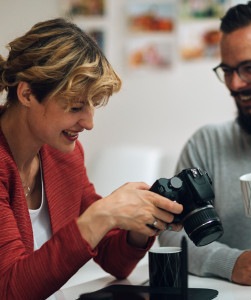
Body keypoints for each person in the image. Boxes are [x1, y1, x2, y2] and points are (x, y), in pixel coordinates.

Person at [0, 18, 183, 300]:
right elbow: (11, 290)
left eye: (92, 104)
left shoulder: (63, 157)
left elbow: (115, 261)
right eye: (75, 106)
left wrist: (144, 222)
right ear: (26, 94)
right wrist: (103, 214)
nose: (88, 123)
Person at [159, 0, 251, 286]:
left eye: (250, 68)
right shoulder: (207, 143)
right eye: (227, 70)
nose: (234, 85)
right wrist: (228, 262)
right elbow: (172, 231)